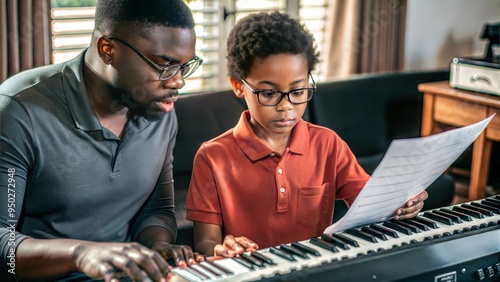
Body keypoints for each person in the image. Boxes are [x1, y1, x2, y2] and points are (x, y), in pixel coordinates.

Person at [185, 11, 429, 257]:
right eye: (269, 93)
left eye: (298, 91)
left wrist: (403, 201)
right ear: (239, 86)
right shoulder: (212, 157)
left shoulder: (328, 144)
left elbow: (371, 204)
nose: (286, 106)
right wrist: (221, 249)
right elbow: (205, 244)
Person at [0, 0, 204, 281]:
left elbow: (156, 210)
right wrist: (81, 255)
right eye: (164, 64)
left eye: (184, 66)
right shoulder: (18, 111)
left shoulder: (158, 108)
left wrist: (158, 246)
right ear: (107, 50)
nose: (178, 82)